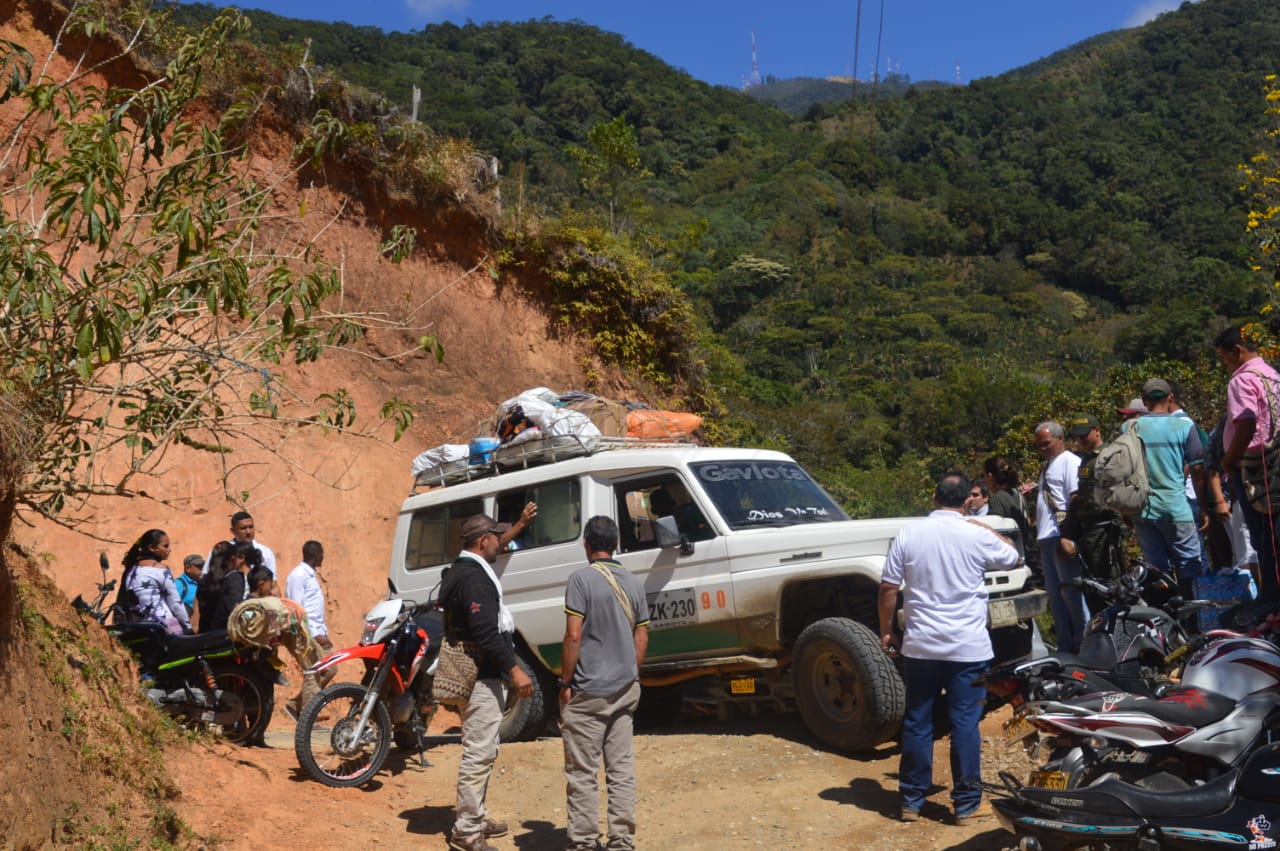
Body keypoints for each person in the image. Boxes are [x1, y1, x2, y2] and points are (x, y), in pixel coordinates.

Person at [878, 472, 1020, 824]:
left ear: (933, 497)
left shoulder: (909, 534)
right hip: (966, 647)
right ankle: (967, 805)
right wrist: (986, 528)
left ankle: (911, 800)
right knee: (964, 724)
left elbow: (888, 588)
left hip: (921, 645)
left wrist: (885, 631)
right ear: (967, 500)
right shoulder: (974, 533)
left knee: (918, 721)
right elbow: (1013, 557)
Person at [441, 506, 538, 851]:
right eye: (496, 538)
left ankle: (476, 816)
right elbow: (485, 631)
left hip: (477, 676)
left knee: (485, 747)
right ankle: (466, 831)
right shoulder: (475, 578)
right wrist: (514, 668)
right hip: (483, 677)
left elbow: (477, 625)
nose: (502, 543)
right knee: (479, 752)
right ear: (483, 541)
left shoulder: (462, 569)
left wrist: (520, 525)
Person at [559, 516, 650, 851]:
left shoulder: (580, 580)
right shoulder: (634, 582)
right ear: (615, 545)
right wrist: (630, 672)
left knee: (583, 773)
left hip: (588, 692)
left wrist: (565, 681)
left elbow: (573, 636)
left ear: (586, 544)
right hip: (625, 689)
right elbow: (642, 634)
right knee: (621, 769)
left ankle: (583, 842)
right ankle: (622, 841)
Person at [1124, 378, 1207, 601]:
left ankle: (1164, 625)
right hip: (1175, 509)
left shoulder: (1129, 427)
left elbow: (1123, 471)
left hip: (1142, 510)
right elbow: (1198, 470)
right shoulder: (1184, 426)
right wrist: (1204, 507)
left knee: (1156, 570)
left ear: (1144, 401)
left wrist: (1125, 509)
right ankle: (1194, 624)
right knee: (1190, 565)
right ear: (1170, 397)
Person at [1215, 326, 1280, 601]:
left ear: (1237, 351)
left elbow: (1247, 421)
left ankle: (1272, 603)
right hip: (1275, 462)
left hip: (1252, 468)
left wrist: (1229, 461)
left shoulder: (1241, 381)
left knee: (1264, 539)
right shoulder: (1273, 376)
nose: (1224, 365)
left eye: (1224, 358)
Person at [1059, 414, 1125, 612]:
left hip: (1105, 529)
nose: (1081, 439)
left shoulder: (1110, 456)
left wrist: (1119, 531)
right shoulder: (1086, 459)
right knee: (1091, 585)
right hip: (1087, 531)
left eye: (1085, 435)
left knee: (1109, 584)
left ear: (1097, 431)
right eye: (1077, 436)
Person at [1034, 421, 1086, 653]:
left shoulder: (1070, 462)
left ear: (1060, 438)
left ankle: (1085, 644)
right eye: (1039, 446)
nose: (1043, 449)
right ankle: (1065, 647)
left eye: (1046, 444)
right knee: (1056, 597)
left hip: (1059, 535)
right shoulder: (1048, 466)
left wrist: (1066, 536)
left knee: (1071, 593)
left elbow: (1075, 498)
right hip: (1046, 537)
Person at [285, 540, 334, 717]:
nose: (323, 557)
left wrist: (323, 633)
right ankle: (309, 715)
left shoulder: (311, 575)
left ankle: (295, 706)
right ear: (316, 555)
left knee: (331, 667)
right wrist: (313, 634)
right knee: (314, 670)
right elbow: (297, 609)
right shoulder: (298, 576)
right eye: (322, 554)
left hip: (318, 631)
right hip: (306, 633)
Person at [121, 529, 192, 635]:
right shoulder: (161, 570)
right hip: (165, 624)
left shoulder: (132, 569)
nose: (169, 550)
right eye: (165, 546)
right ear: (152, 548)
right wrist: (188, 626)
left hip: (140, 625)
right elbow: (175, 603)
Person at [982, 456, 1032, 568]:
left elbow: (995, 531)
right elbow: (1027, 521)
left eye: (983, 475)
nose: (983, 479)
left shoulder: (997, 498)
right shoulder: (1018, 495)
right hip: (1025, 552)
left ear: (990, 476)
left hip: (1011, 556)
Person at [201, 541, 259, 633]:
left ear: (241, 558)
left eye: (233, 556)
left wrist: (252, 618)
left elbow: (236, 608)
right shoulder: (235, 577)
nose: (231, 559)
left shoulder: (235, 578)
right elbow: (236, 608)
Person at [206, 510, 277, 580]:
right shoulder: (222, 549)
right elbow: (207, 575)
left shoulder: (266, 552)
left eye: (251, 527)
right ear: (233, 531)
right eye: (243, 528)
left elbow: (273, 582)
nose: (248, 532)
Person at [195, 540, 231, 633]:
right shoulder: (231, 580)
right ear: (232, 558)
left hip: (206, 633)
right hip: (225, 634)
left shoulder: (203, 581)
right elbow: (236, 606)